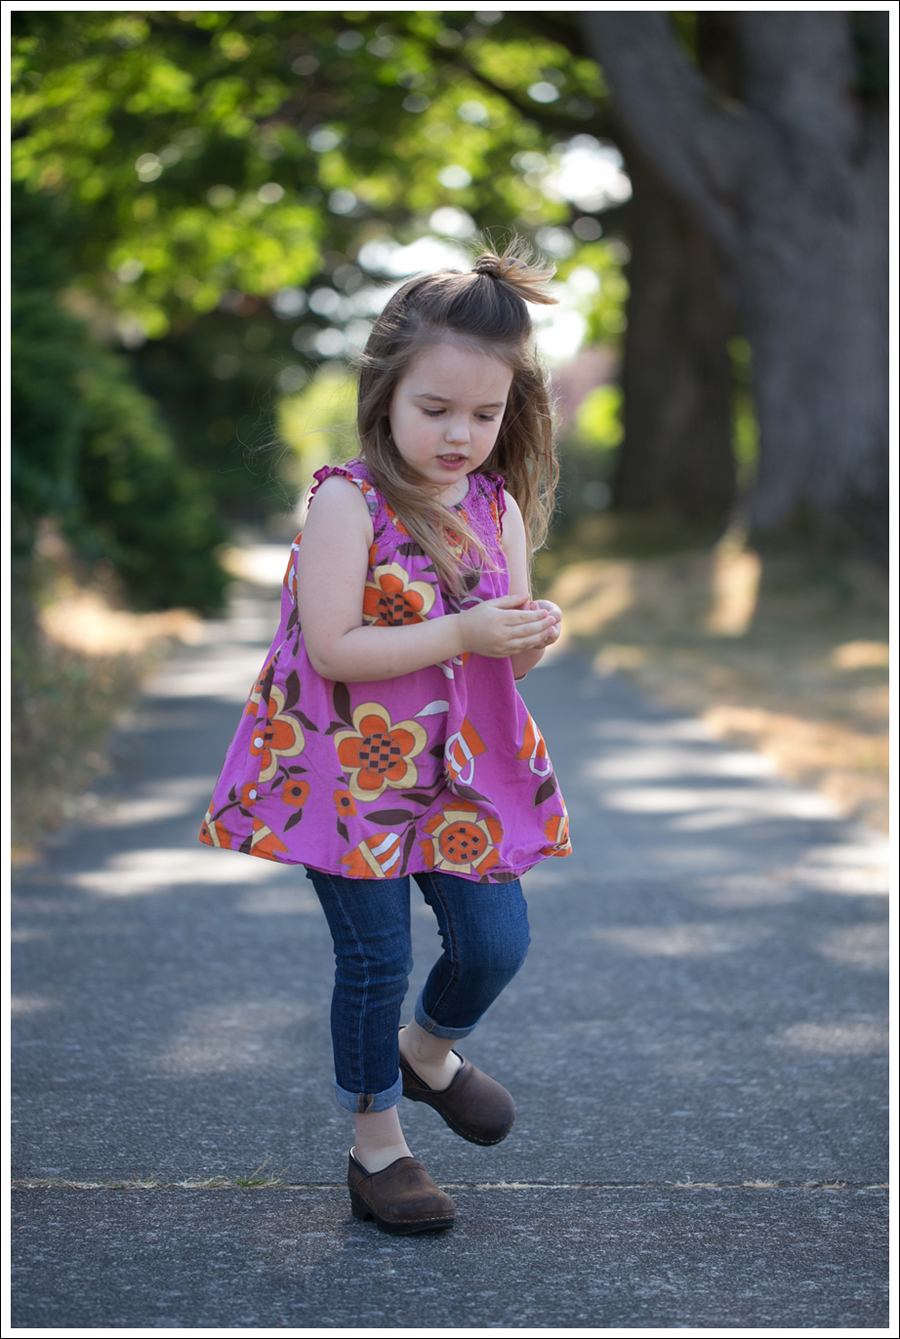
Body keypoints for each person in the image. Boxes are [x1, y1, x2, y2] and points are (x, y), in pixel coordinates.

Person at [200, 240, 571, 1234]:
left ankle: (428, 1052)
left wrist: (527, 638)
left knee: (495, 941)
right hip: (346, 775)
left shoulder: (494, 507)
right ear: (385, 394)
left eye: (484, 415)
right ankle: (378, 1148)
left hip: (459, 777)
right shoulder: (346, 501)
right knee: (374, 959)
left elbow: (500, 661)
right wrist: (463, 631)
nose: (460, 434)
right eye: (435, 409)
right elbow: (333, 647)